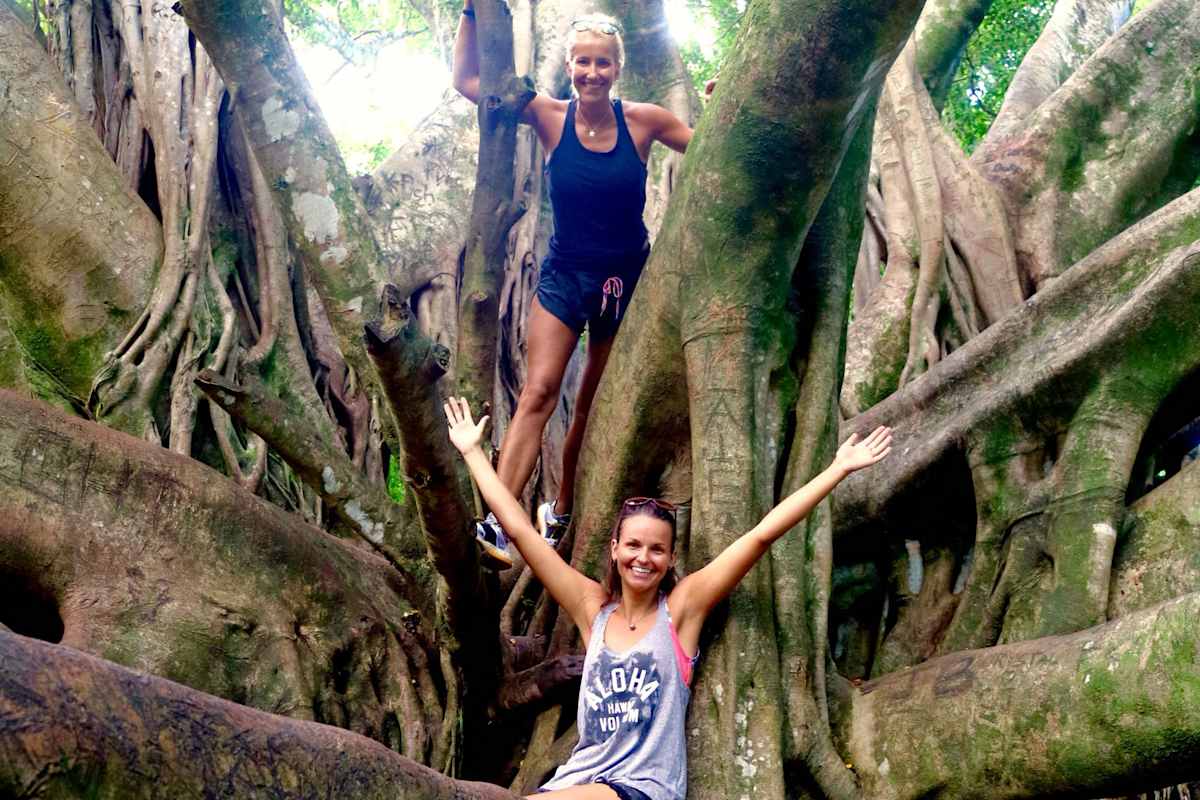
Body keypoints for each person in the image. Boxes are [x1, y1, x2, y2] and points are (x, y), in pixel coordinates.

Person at [444, 397, 892, 800]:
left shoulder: (680, 612)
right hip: (574, 782)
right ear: (615, 549)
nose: (644, 558)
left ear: (671, 556)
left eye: (657, 549)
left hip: (642, 790)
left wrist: (837, 469)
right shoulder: (591, 609)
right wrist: (471, 452)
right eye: (634, 546)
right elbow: (522, 532)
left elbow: (759, 537)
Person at [452, 4, 696, 567]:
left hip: (624, 283)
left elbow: (709, 148)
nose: (591, 72)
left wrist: (721, 99)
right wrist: (470, 10)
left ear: (618, 68)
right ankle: (498, 521)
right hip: (564, 276)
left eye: (602, 63)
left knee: (592, 403)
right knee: (539, 392)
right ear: (569, 64)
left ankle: (561, 507)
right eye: (582, 62)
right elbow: (468, 82)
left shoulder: (645, 121)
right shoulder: (547, 115)